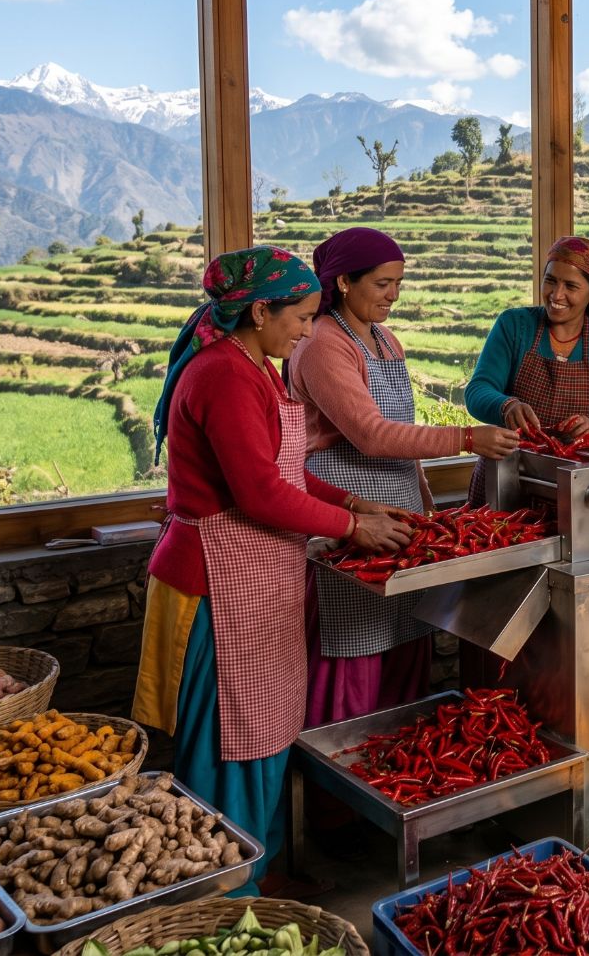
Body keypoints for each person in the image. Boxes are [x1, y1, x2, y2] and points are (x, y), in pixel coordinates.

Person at [132, 246, 412, 893]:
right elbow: (258, 493)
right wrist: (351, 527)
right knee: (230, 738)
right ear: (260, 310)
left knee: (262, 731)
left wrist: (348, 498)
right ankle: (223, 890)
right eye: (303, 317)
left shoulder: (257, 365)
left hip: (256, 578)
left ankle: (261, 867)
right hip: (215, 584)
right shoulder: (223, 375)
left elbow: (284, 469)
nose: (309, 331)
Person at [286, 228, 519, 727]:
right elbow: (371, 434)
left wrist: (427, 504)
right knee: (352, 649)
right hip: (349, 516)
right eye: (383, 283)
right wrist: (466, 439)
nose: (394, 295)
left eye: (399, 283)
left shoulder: (386, 340)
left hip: (399, 517)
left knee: (401, 648)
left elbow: (401, 438)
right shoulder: (324, 344)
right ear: (344, 281)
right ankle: (341, 786)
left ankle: (387, 779)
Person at [464, 236, 589, 502]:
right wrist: (506, 405)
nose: (556, 295)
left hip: (576, 484)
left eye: (571, 286)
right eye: (551, 280)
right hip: (505, 475)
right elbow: (477, 390)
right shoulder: (514, 325)